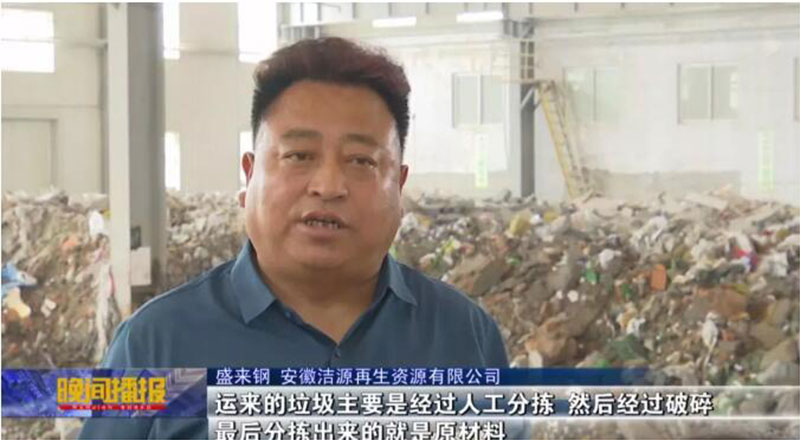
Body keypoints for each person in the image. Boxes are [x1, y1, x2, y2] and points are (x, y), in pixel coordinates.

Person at [80, 37, 508, 439]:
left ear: (399, 185)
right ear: (249, 176)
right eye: (299, 155)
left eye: (361, 161)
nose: (328, 186)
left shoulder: (465, 336)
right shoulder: (154, 344)